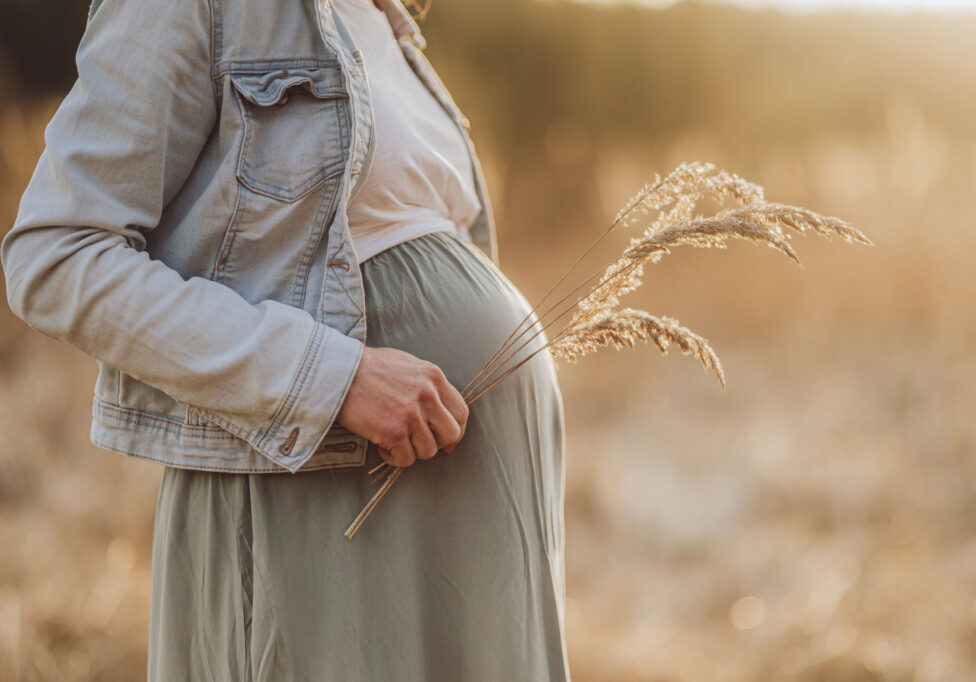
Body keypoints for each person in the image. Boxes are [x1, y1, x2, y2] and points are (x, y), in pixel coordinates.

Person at [1, 0, 570, 678]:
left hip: (461, 520)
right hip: (322, 508)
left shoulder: (381, 20)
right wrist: (331, 378)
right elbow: (56, 256)